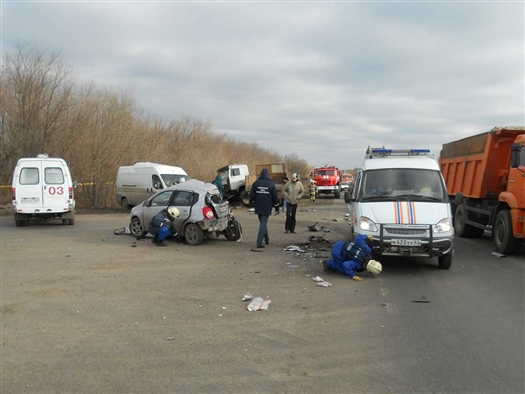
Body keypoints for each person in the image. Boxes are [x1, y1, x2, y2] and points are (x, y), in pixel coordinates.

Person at [249, 168, 280, 249]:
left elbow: (251, 194)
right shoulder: (271, 184)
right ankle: (259, 242)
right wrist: (277, 207)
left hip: (258, 206)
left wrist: (251, 202)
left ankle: (267, 239)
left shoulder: (256, 183)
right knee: (263, 223)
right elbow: (275, 197)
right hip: (267, 207)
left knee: (263, 223)